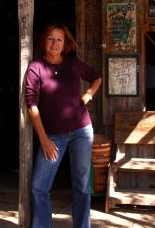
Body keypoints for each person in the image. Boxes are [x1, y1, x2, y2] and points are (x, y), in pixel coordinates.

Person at [25, 22, 102, 228]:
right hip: (53, 136)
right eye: (51, 39)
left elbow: (96, 78)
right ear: (44, 42)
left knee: (82, 185)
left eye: (59, 39)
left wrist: (87, 95)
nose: (55, 43)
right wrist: (44, 139)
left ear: (65, 43)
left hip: (81, 131)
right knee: (39, 186)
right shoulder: (36, 67)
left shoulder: (74, 63)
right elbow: (31, 105)